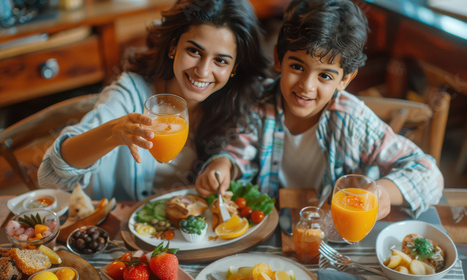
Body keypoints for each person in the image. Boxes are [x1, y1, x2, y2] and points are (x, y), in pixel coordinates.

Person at [195, 0, 444, 219]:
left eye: (325, 75)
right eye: (297, 67)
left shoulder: (353, 119)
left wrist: (383, 191)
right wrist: (224, 165)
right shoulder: (258, 102)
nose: (307, 86)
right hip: (269, 230)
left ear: (345, 79)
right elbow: (242, 150)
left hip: (333, 237)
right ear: (279, 59)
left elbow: (428, 172)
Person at [38, 0, 270, 201]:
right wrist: (113, 132)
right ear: (173, 46)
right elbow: (50, 175)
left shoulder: (235, 100)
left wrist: (224, 164)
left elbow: (248, 154)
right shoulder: (129, 95)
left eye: (220, 61)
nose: (202, 71)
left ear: (234, 68)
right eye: (194, 51)